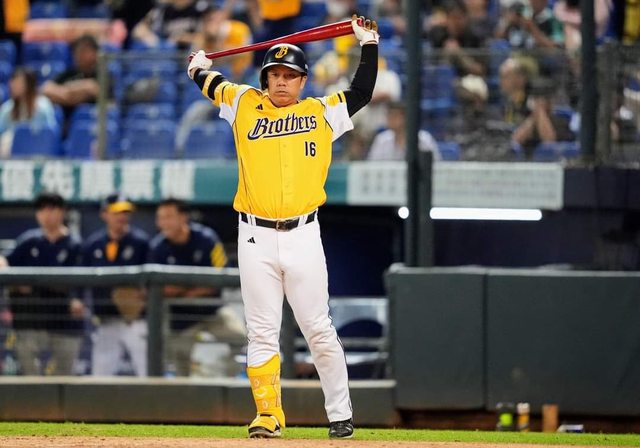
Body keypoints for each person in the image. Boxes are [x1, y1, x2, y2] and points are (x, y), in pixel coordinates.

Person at [187, 14, 380, 439]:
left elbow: (362, 92)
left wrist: (368, 45)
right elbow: (210, 82)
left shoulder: (320, 112)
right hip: (254, 234)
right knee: (261, 331)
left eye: (289, 75)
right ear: (265, 79)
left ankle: (340, 415)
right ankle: (268, 414)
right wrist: (198, 65)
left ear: (303, 81)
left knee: (318, 328)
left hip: (304, 234)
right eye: (274, 74)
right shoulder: (244, 102)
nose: (281, 81)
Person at [148, 198, 246, 377]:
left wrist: (182, 288)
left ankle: (215, 374)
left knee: (242, 338)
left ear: (183, 217)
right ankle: (187, 392)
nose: (163, 223)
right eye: (160, 218)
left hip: (211, 311)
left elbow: (221, 276)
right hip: (180, 319)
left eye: (168, 217)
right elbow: (161, 289)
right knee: (179, 362)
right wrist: (197, 286)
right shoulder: (157, 247)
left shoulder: (206, 238)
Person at [0, 192, 84, 375]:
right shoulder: (29, 240)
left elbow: (81, 285)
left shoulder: (75, 244)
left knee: (62, 381)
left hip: (64, 322)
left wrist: (76, 299)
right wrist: (15, 279)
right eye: (42, 210)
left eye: (51, 209)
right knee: (31, 379)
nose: (46, 214)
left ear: (62, 212)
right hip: (32, 320)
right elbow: (4, 260)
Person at [80, 193, 150, 376]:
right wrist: (77, 300)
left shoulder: (141, 243)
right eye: (117, 212)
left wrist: (143, 294)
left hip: (135, 320)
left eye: (125, 212)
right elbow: (79, 279)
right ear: (104, 214)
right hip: (106, 320)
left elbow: (151, 282)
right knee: (100, 376)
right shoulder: (93, 244)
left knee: (148, 371)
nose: (122, 217)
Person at [40, 34, 101, 134]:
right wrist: (69, 94)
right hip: (66, 127)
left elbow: (95, 89)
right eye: (76, 51)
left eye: (84, 51)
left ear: (95, 53)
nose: (78, 55)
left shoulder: (102, 75)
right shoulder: (69, 73)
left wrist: (66, 90)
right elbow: (46, 89)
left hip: (94, 126)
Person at [0, 67, 58, 157]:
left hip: (39, 152)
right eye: (12, 81)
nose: (13, 85)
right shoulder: (7, 109)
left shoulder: (43, 106)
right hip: (11, 156)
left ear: (29, 84)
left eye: (18, 82)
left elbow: (51, 134)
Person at [367, 102, 441, 161]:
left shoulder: (424, 139)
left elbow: (436, 165)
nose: (390, 119)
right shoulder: (381, 139)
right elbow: (372, 165)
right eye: (389, 115)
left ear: (406, 118)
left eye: (395, 116)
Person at [131, 0, 208, 50]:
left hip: (189, 50)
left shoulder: (199, 10)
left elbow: (205, 37)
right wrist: (156, 42)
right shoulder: (162, 10)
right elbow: (138, 30)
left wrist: (184, 38)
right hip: (166, 49)